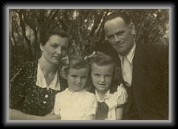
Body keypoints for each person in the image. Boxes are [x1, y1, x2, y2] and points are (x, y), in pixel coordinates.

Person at [101, 12, 168, 120]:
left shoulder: (159, 54)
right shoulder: (107, 61)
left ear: (132, 29)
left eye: (120, 33)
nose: (116, 40)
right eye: (111, 37)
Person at [9, 28, 70, 120]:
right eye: (54, 46)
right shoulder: (23, 71)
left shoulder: (65, 78)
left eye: (64, 48)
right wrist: (40, 120)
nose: (59, 52)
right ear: (42, 46)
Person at [86, 52, 128, 120]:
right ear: (90, 75)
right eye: (97, 75)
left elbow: (119, 119)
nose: (102, 80)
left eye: (107, 76)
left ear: (113, 75)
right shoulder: (87, 93)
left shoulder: (117, 93)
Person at [53, 55, 97, 120]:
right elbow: (56, 119)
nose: (79, 81)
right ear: (65, 75)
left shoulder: (90, 97)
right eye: (74, 76)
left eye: (83, 77)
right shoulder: (59, 97)